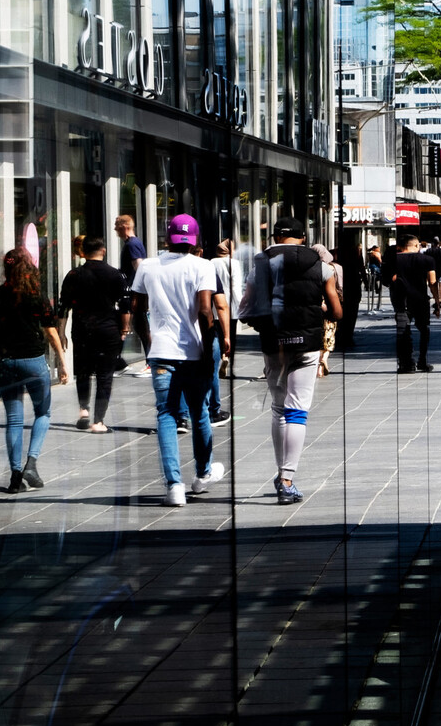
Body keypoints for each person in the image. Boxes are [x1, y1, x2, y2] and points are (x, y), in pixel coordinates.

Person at [129, 214, 228, 507]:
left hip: (161, 352)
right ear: (195, 240)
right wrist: (210, 345)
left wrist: (149, 342)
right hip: (193, 353)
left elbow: (137, 309)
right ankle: (203, 473)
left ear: (167, 238)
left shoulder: (147, 266)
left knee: (167, 415)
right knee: (199, 413)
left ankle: (174, 486)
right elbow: (205, 311)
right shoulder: (203, 266)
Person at [242, 217, 342, 504]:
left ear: (275, 236)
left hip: (274, 344)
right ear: (303, 237)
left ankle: (280, 473)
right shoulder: (322, 266)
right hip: (308, 344)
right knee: (298, 410)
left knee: (278, 408)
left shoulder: (260, 263)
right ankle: (287, 479)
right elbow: (336, 313)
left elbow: (246, 308)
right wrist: (320, 306)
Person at [0, 247, 69, 492]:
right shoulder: (36, 294)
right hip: (33, 360)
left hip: (5, 361)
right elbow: (51, 332)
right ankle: (32, 461)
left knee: (14, 419)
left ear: (6, 267)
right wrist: (62, 363)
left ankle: (15, 475)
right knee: (43, 413)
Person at [57, 236, 129, 434]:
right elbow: (125, 306)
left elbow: (63, 307)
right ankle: (98, 421)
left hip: (82, 329)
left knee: (83, 371)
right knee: (105, 376)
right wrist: (124, 330)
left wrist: (61, 332)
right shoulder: (115, 275)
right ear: (103, 250)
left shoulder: (73, 274)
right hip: (108, 330)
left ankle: (83, 410)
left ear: (83, 252)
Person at [207, 239, 242, 424]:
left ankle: (221, 355)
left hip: (213, 306)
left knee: (217, 335)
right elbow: (236, 286)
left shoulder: (211, 262)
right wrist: (241, 305)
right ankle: (227, 357)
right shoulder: (234, 263)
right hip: (230, 306)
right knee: (230, 335)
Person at [389, 234, 436, 373]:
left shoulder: (394, 259)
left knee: (403, 331)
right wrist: (437, 302)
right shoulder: (427, 260)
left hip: (401, 301)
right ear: (416, 245)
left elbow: (390, 279)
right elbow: (432, 281)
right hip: (421, 300)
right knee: (424, 330)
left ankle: (407, 363)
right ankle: (422, 361)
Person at [115, 214, 149, 376]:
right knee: (134, 326)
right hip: (132, 291)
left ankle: (150, 362)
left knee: (135, 326)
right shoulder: (133, 243)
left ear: (124, 227)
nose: (115, 230)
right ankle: (118, 362)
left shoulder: (132, 244)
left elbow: (139, 267)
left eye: (117, 226)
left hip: (132, 292)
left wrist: (139, 291)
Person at [311, 243, 342, 377]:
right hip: (331, 303)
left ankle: (318, 364)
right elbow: (340, 287)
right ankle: (324, 359)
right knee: (329, 335)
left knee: (318, 335)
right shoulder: (336, 267)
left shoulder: (312, 268)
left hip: (315, 305)